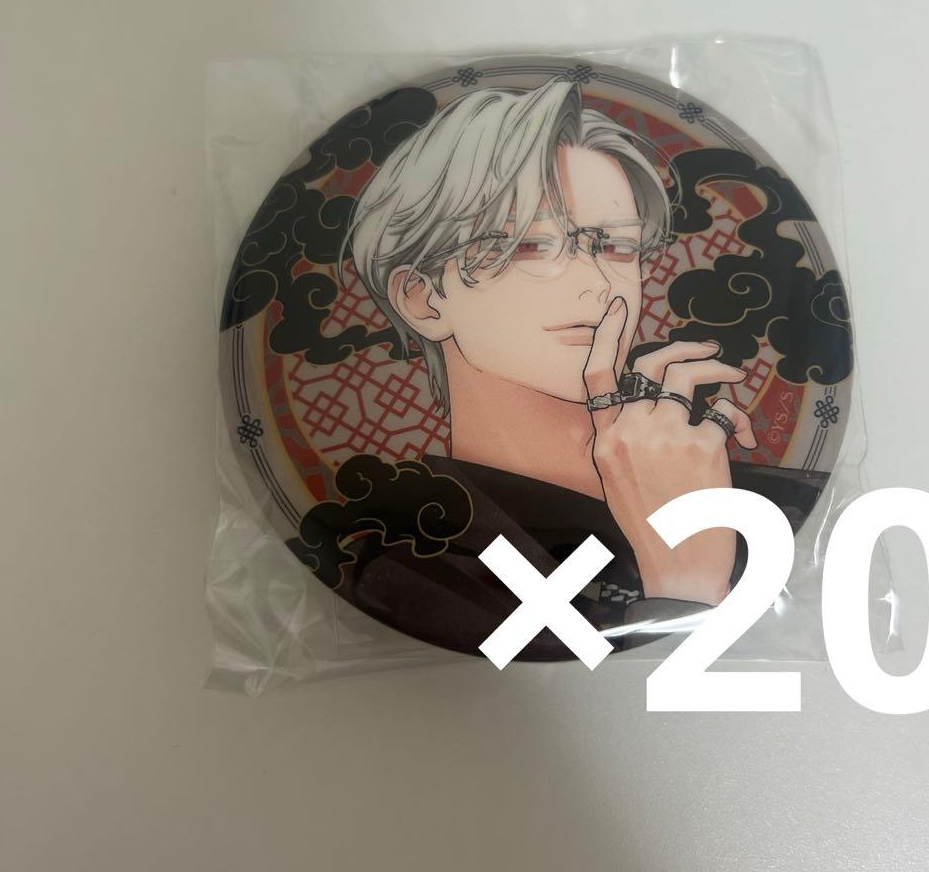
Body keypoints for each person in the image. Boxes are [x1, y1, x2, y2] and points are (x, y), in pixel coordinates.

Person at [335, 77, 825, 657]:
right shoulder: (409, 564)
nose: (597, 283)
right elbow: (610, 678)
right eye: (530, 246)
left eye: (617, 246)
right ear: (423, 298)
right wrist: (686, 583)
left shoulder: (772, 502)